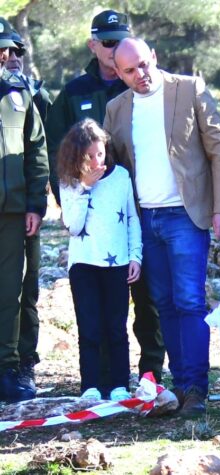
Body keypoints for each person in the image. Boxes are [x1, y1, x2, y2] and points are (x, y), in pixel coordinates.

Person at [104, 37, 220, 414]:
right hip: (145, 218)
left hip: (186, 214)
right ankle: (179, 385)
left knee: (190, 300)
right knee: (163, 304)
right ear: (118, 73)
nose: (140, 74)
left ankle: (196, 388)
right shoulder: (116, 108)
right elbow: (113, 166)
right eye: (129, 70)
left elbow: (218, 148)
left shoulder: (189, 88)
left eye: (144, 64)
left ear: (154, 57)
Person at [45, 10, 166, 387]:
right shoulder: (74, 92)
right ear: (92, 45)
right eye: (108, 42)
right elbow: (56, 151)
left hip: (140, 200)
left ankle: (149, 371)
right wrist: (71, 201)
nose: (115, 51)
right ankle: (98, 381)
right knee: (97, 309)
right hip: (90, 214)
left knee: (146, 294)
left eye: (121, 40)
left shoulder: (140, 85)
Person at [57, 119, 140, 401]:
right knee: (89, 326)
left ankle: (119, 384)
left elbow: (132, 219)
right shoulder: (69, 182)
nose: (96, 161)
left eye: (100, 154)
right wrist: (84, 188)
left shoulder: (121, 178)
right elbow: (74, 225)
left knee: (116, 326)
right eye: (89, 156)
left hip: (117, 264)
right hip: (84, 265)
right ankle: (90, 384)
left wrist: (135, 256)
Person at [0, 16, 48, 403]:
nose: (8, 56)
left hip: (16, 212)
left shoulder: (19, 96)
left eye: (13, 50)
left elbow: (36, 152)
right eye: (2, 50)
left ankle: (15, 367)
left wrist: (36, 203)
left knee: (18, 292)